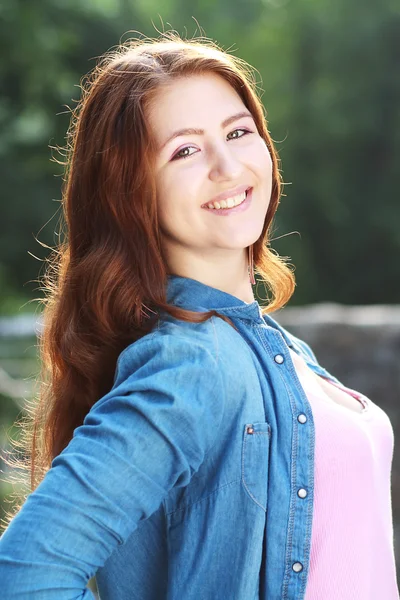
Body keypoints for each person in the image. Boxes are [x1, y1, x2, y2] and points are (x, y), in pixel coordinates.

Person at [0, 32, 398, 600]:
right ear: (129, 192)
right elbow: (24, 574)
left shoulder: (269, 348)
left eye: (238, 133)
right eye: (185, 150)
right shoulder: (190, 364)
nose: (227, 165)